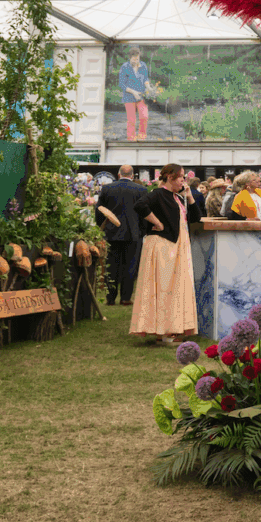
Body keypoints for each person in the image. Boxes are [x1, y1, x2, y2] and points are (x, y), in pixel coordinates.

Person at [129, 163, 202, 343]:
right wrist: (158, 223)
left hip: (175, 246)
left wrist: (190, 197)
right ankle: (165, 330)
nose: (183, 181)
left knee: (173, 287)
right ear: (170, 177)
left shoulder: (176, 197)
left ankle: (171, 328)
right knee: (165, 287)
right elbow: (139, 205)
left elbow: (196, 218)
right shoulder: (158, 194)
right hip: (164, 246)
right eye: (181, 177)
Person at [94, 164, 147, 306]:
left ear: (118, 174)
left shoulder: (107, 188)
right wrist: (142, 231)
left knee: (111, 266)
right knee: (130, 266)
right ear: (132, 175)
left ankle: (110, 298)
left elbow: (99, 210)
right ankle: (125, 297)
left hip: (111, 233)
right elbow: (145, 213)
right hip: (133, 233)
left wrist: (101, 228)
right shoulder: (141, 190)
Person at [118, 47, 154, 142]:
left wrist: (149, 87)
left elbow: (145, 79)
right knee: (131, 120)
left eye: (137, 58)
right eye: (134, 59)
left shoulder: (143, 66)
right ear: (130, 58)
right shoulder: (124, 67)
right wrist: (134, 92)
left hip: (142, 96)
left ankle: (142, 137)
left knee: (144, 116)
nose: (136, 61)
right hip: (129, 97)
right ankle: (131, 138)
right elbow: (121, 84)